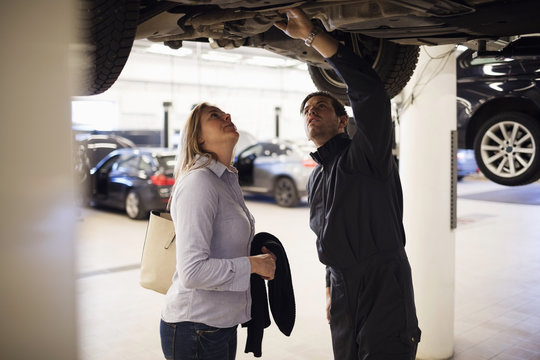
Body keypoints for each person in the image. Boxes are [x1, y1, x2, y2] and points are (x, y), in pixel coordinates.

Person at [275, 8, 421, 360]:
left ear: (343, 122)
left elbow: (370, 92)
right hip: (342, 288)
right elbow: (326, 236)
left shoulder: (365, 157)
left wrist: (313, 37)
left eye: (321, 105)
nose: (312, 110)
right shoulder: (317, 177)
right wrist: (330, 288)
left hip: (382, 283)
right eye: (307, 109)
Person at [160, 102, 276, 360]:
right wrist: (252, 265)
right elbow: (192, 272)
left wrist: (255, 253)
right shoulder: (199, 183)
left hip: (218, 325)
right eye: (214, 116)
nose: (227, 116)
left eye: (224, 113)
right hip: (196, 328)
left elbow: (222, 243)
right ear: (199, 138)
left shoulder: (223, 180)